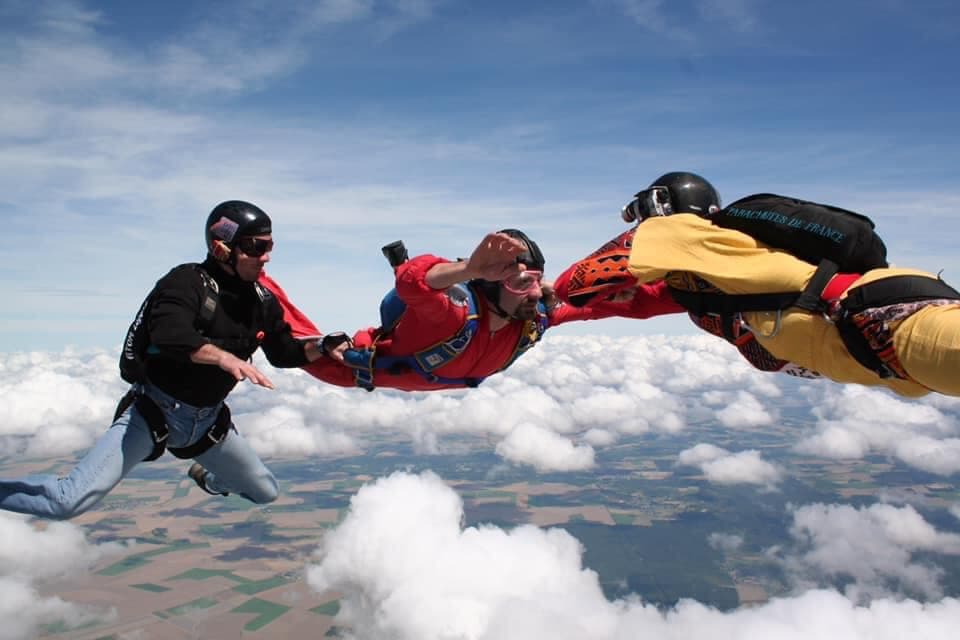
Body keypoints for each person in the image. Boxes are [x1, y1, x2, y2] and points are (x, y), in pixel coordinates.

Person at [0, 201, 328, 520]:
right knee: (65, 502)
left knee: (264, 491)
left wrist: (326, 346)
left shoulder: (262, 301)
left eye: (270, 245)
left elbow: (285, 352)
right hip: (153, 414)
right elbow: (169, 334)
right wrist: (223, 359)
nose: (266, 256)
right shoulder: (187, 282)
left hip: (208, 426)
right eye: (256, 247)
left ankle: (208, 477)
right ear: (222, 248)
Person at [579, 171, 960, 398]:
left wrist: (646, 230)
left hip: (889, 322)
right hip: (887, 337)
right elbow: (640, 304)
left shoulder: (682, 233)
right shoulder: (718, 275)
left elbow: (577, 285)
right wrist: (545, 316)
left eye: (641, 215)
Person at [262, 229, 677, 391]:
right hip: (349, 368)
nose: (534, 293)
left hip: (432, 374)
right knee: (276, 324)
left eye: (537, 279)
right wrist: (468, 268)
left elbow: (626, 308)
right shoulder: (453, 316)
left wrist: (698, 293)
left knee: (586, 291)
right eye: (519, 283)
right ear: (488, 288)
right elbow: (412, 282)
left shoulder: (536, 318)